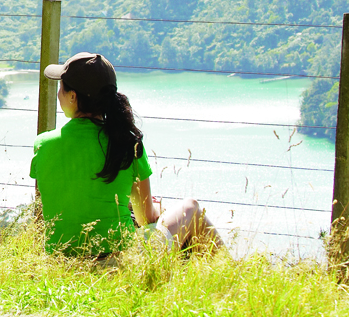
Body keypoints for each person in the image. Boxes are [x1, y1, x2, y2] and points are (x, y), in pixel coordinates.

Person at [30, 52, 226, 257]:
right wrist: (161, 212)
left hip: (61, 261)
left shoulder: (43, 144)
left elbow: (62, 202)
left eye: (61, 88)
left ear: (73, 96)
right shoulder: (126, 144)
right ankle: (228, 274)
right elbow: (146, 218)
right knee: (191, 208)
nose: (58, 94)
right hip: (123, 263)